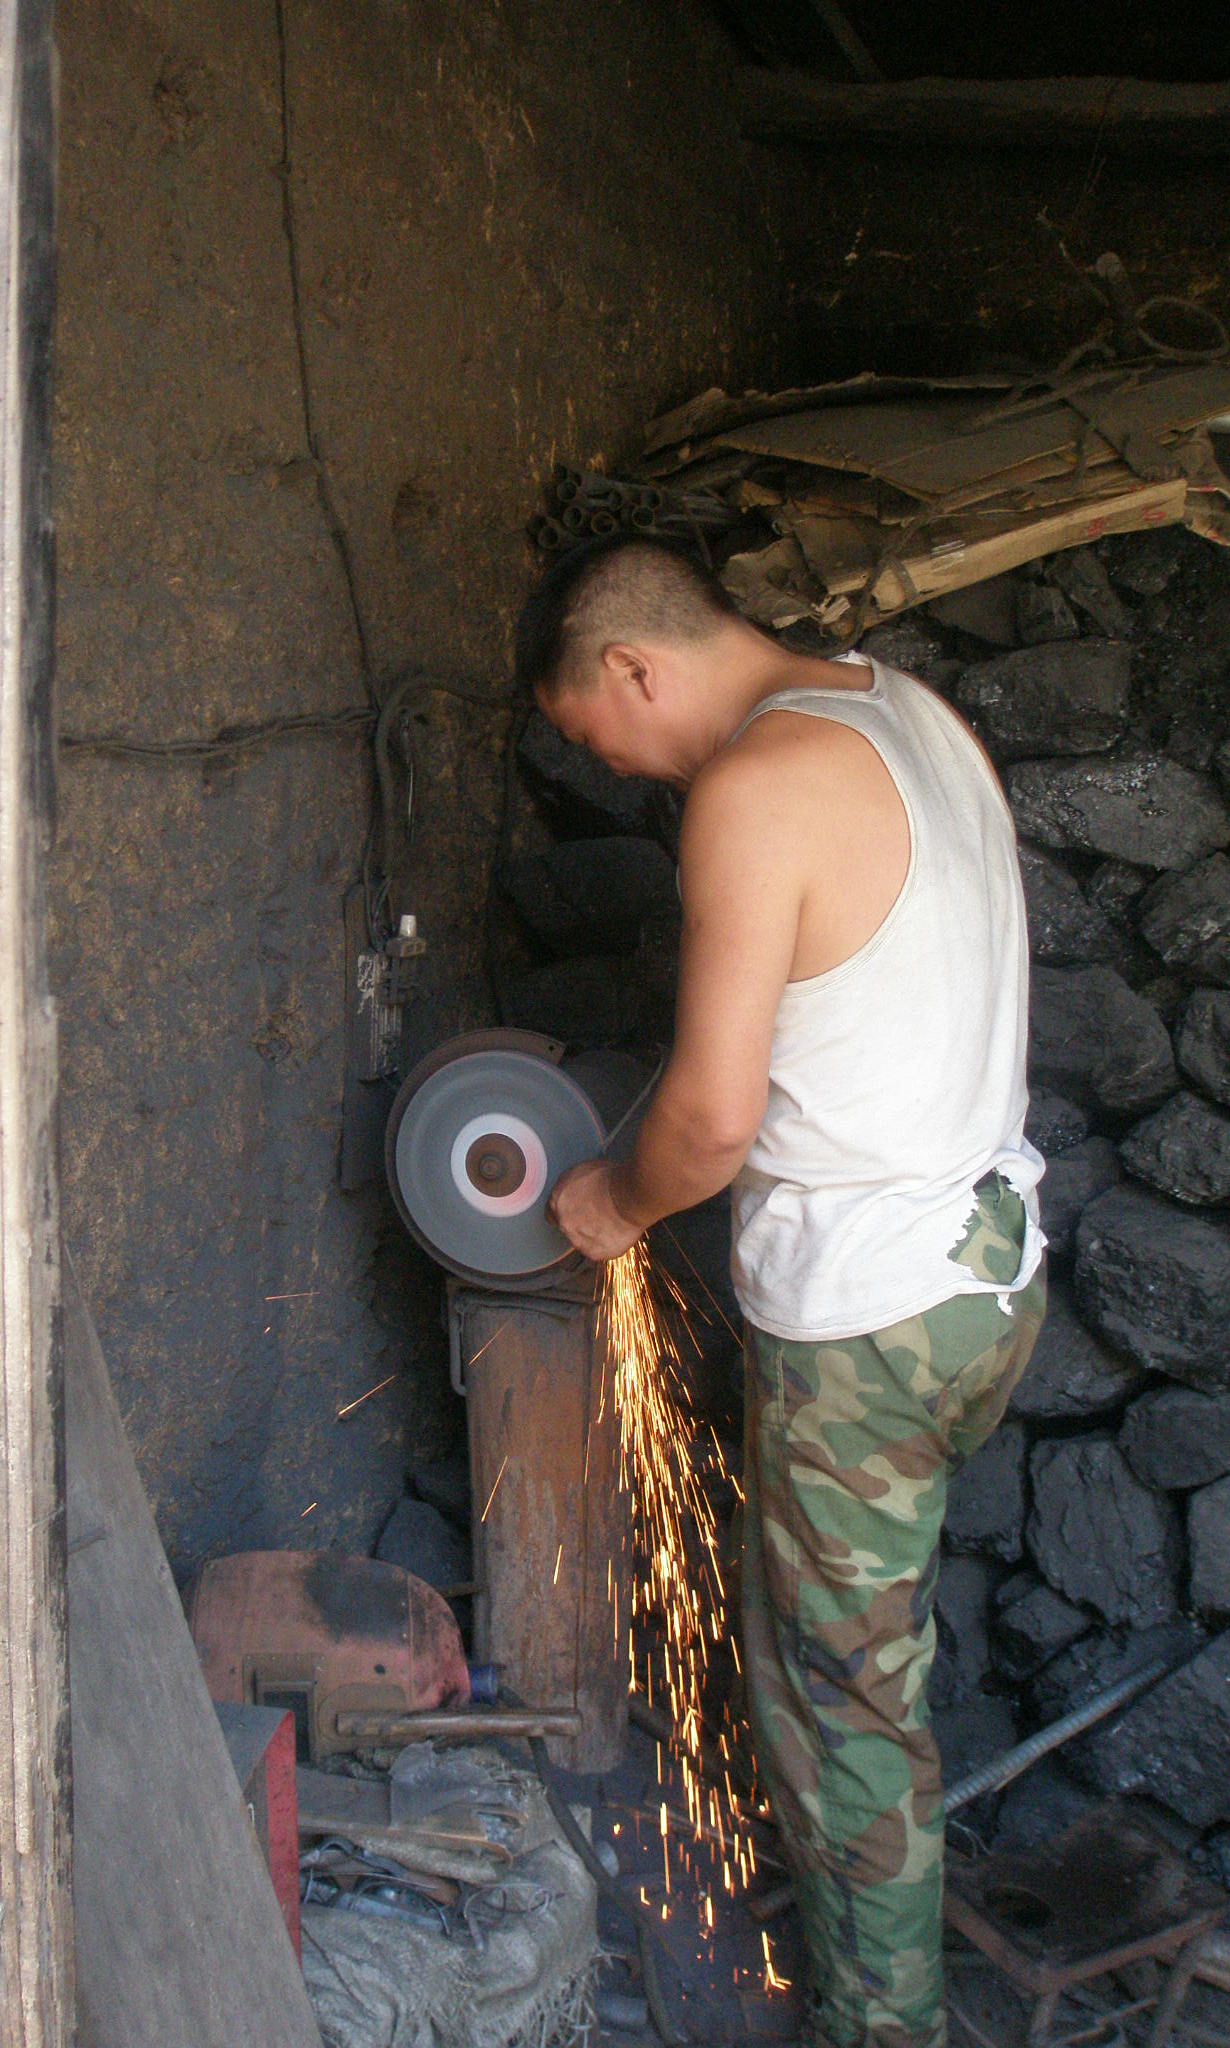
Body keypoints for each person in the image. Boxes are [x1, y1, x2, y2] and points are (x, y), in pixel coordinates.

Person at [518, 534, 1047, 2048]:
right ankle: (882, 1942)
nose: (613, 769)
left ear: (633, 667)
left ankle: (885, 2029)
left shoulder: (756, 788)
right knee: (870, 1667)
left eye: (590, 734)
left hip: (870, 1323)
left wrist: (610, 1202)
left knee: (838, 1711)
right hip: (984, 1275)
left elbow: (711, 1119)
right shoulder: (909, 716)